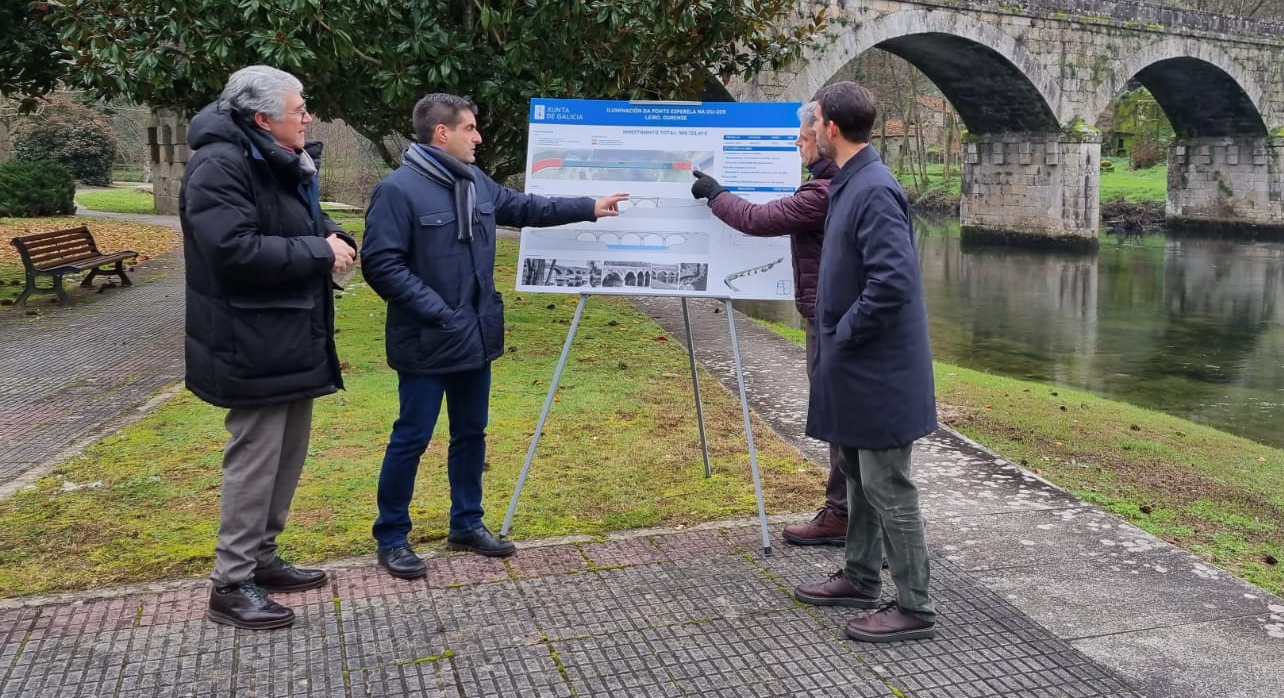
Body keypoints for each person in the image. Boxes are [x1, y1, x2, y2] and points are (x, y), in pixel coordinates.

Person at [361, 94, 625, 579]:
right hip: (427, 341)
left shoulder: (475, 183)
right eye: (470, 128)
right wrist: (440, 313)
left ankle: (466, 523)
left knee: (471, 434)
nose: (478, 137)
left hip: (474, 338)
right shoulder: (397, 191)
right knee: (412, 438)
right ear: (442, 133)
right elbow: (381, 264)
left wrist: (589, 205)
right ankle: (392, 535)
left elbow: (525, 206)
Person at [181, 65, 358, 631]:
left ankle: (262, 557)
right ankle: (230, 584)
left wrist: (338, 239)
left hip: (289, 335)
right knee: (255, 460)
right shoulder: (221, 165)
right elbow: (232, 250)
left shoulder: (278, 159)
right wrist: (317, 251)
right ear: (262, 118)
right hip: (250, 339)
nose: (308, 116)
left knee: (287, 456)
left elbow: (308, 221)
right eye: (298, 109)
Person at [793, 80, 938, 643]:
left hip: (878, 370)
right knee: (856, 474)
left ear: (831, 128)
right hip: (854, 367)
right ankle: (859, 576)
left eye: (815, 121)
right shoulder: (849, 182)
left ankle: (915, 605)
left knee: (888, 484)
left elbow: (892, 283)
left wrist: (842, 333)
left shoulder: (874, 188)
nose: (810, 130)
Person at [689, 101, 843, 545]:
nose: (797, 143)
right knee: (836, 415)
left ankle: (843, 515)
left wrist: (717, 194)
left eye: (804, 137)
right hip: (827, 314)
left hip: (830, 319)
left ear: (827, 137)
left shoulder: (821, 193)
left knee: (836, 417)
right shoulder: (830, 186)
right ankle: (843, 511)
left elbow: (757, 219)